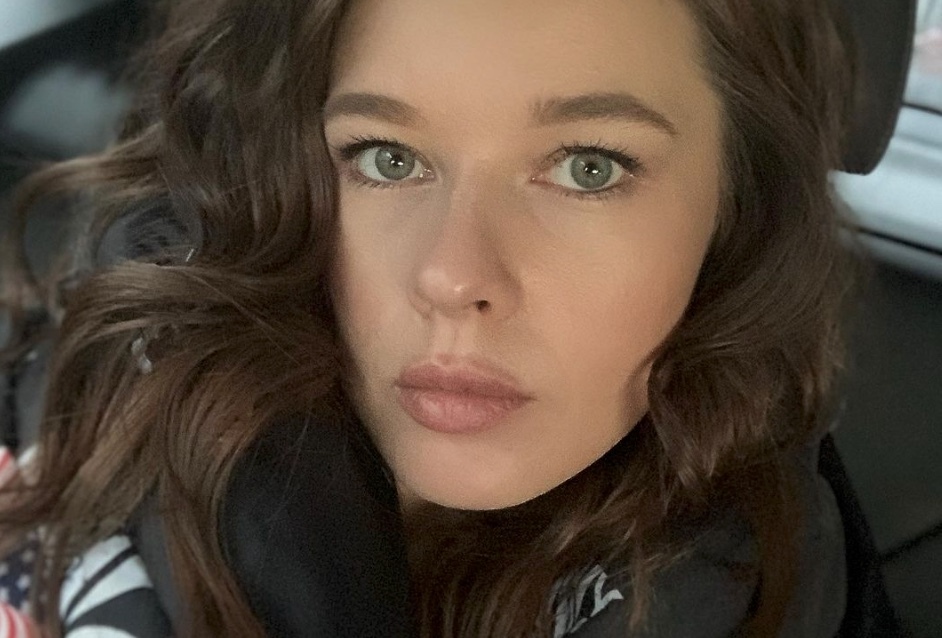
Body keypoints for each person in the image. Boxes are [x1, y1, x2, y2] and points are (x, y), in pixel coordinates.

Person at [0, 0, 857, 635]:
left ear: (735, 214)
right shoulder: (75, 424)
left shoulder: (775, 577)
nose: (452, 277)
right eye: (387, 157)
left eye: (588, 167)